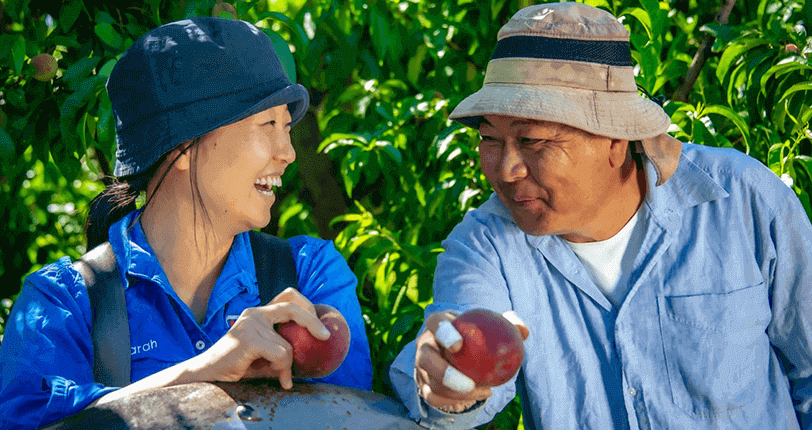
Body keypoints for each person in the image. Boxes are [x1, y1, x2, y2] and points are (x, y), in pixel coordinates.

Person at [389, 3, 812, 429]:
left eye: (533, 140)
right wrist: (444, 381)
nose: (506, 169)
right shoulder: (486, 246)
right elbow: (452, 358)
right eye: (489, 139)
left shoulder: (742, 201)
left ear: (615, 140)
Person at [0, 17, 372, 429]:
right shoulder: (62, 304)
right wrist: (203, 372)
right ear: (183, 145)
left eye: (287, 127)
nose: (287, 152)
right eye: (267, 125)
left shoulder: (311, 274)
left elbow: (350, 418)